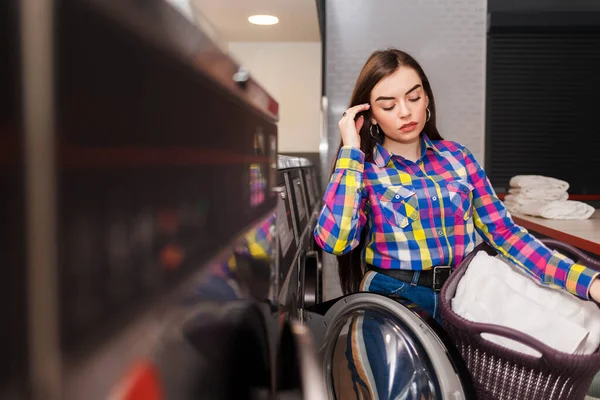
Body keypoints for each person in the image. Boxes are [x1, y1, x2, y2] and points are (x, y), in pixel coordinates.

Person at [314, 48, 600, 399]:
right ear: (370, 115)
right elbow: (334, 241)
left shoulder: (457, 158)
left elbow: (508, 236)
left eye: (414, 97)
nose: (405, 111)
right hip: (394, 302)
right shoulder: (364, 170)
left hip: (464, 297)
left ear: (427, 99)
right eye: (387, 105)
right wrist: (350, 151)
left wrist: (589, 283)